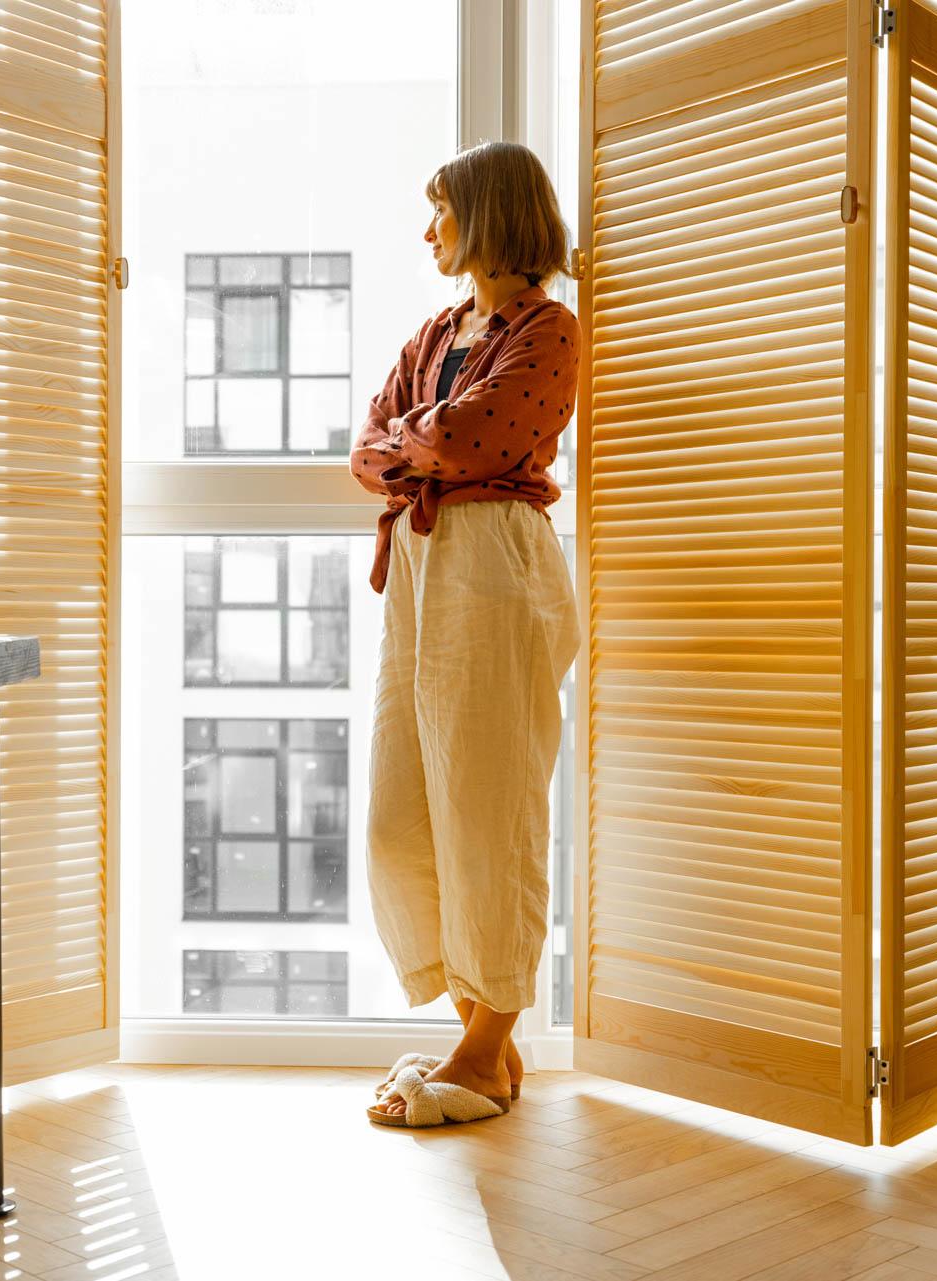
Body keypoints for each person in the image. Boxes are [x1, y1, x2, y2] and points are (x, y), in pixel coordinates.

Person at [351, 140, 583, 1127]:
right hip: (419, 569)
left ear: (486, 216)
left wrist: (414, 446)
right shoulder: (438, 330)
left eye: (439, 211)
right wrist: (416, 448)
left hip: (496, 568)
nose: (427, 232)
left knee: (492, 812)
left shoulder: (550, 330)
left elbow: (476, 438)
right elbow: (368, 447)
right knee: (402, 817)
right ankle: (481, 1040)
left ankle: (483, 1053)